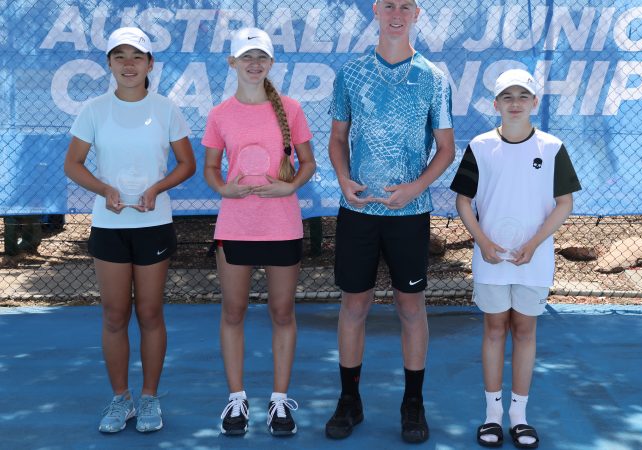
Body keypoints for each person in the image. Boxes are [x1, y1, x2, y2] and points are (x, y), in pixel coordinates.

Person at [325, 0, 455, 443]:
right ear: (376, 12)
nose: (396, 13)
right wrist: (343, 178)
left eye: (405, 5)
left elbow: (445, 150)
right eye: (388, 5)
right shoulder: (352, 73)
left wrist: (415, 188)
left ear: (417, 13)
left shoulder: (433, 78)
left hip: (410, 215)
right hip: (359, 212)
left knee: (411, 308)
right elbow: (338, 138)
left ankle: (412, 403)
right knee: (354, 306)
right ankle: (349, 400)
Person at [63, 27, 196, 433]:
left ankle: (150, 399)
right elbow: (73, 164)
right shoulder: (93, 110)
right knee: (115, 315)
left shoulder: (167, 109)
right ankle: (121, 400)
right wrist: (104, 189)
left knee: (151, 312)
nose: (128, 64)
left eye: (136, 56)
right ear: (109, 64)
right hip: (110, 227)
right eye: (119, 56)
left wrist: (157, 188)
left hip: (154, 226)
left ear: (150, 64)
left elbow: (186, 164)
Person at [450, 69, 581, 449]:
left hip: (534, 260)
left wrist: (537, 243)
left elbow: (564, 203)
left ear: (535, 103)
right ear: (496, 104)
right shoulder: (479, 146)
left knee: (524, 332)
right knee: (494, 330)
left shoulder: (553, 147)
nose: (515, 103)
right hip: (490, 258)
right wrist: (483, 241)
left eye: (523, 96)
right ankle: (492, 416)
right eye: (507, 96)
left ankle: (519, 417)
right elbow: (463, 200)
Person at [202, 27, 316, 437]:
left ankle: (280, 401)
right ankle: (236, 399)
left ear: (270, 63)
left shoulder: (291, 108)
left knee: (282, 313)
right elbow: (211, 169)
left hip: (281, 226)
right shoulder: (220, 114)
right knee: (233, 312)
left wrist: (290, 186)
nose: (254, 64)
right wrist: (223, 189)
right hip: (235, 227)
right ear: (232, 63)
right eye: (246, 57)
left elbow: (308, 163)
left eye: (261, 57)